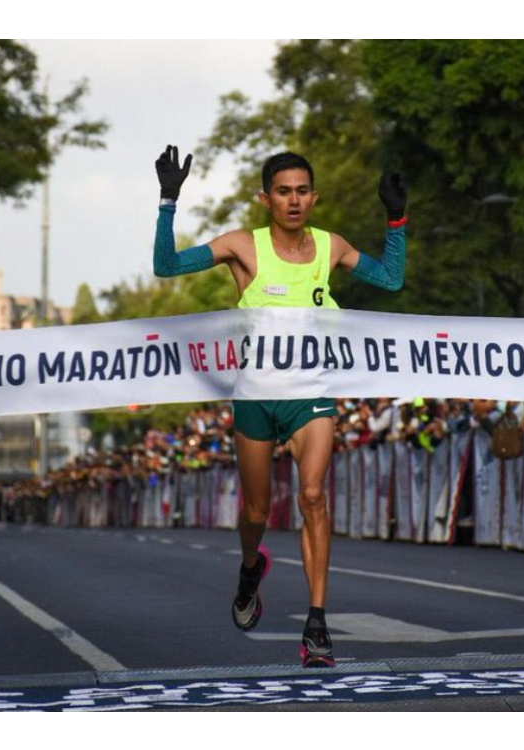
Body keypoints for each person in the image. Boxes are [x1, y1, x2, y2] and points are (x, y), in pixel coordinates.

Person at [154, 146, 407, 667]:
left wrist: (396, 219)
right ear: (265, 198)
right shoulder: (243, 246)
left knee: (313, 496)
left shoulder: (329, 246)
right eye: (283, 192)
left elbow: (391, 279)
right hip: (256, 398)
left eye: (302, 191)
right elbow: (166, 266)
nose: (294, 201)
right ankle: (251, 568)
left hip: (312, 394)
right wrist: (168, 201)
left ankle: (317, 624)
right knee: (255, 511)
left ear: (314, 196)